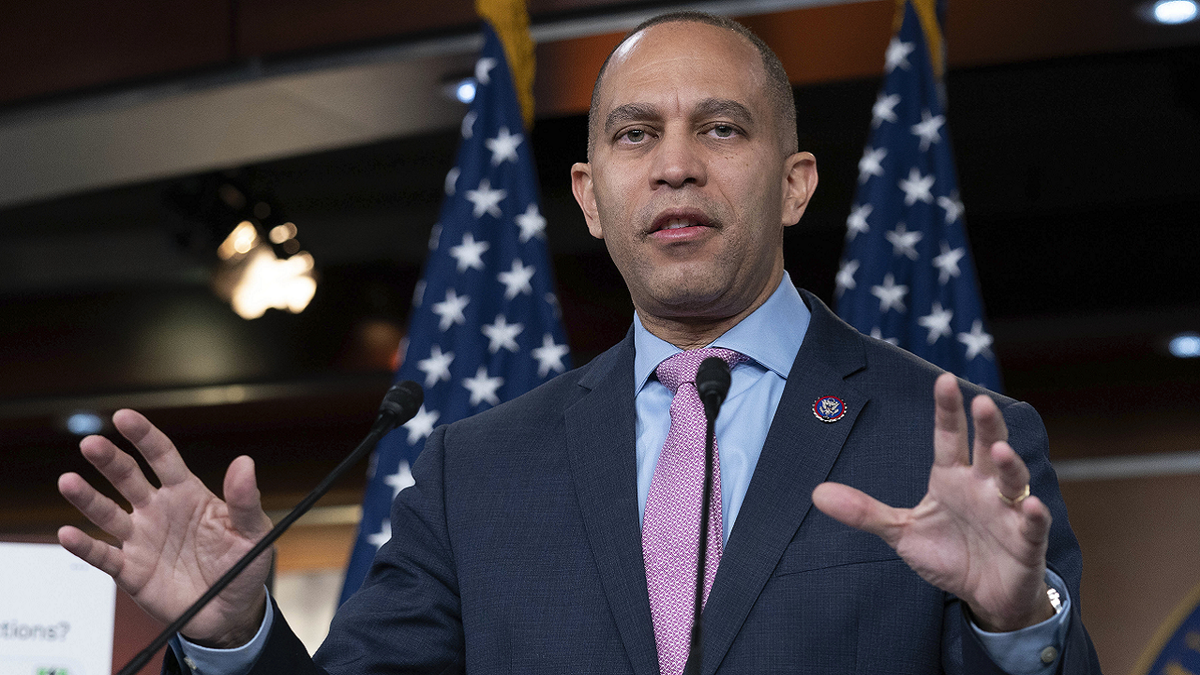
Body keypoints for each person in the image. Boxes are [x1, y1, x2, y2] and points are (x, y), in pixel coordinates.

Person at [57, 12, 1103, 674]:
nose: (676, 167)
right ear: (592, 198)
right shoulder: (478, 471)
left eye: (723, 129)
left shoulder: (956, 441)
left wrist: (1016, 629)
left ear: (796, 183)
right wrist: (234, 631)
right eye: (635, 135)